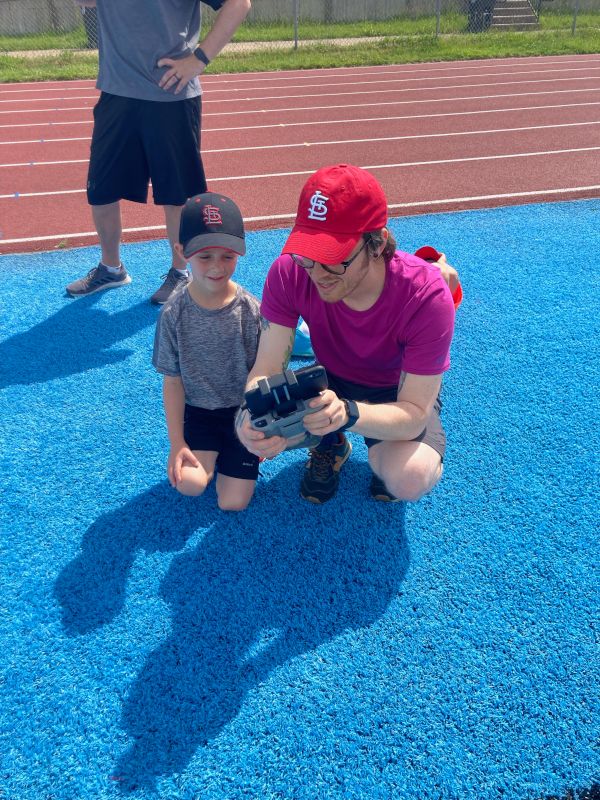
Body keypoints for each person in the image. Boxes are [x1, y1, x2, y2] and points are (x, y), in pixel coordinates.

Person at [236, 163, 460, 505]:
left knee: (408, 478)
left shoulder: (425, 295)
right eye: (308, 254)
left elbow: (414, 413)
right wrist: (248, 418)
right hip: (328, 381)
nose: (317, 273)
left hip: (396, 392)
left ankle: (356, 438)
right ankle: (332, 441)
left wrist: (348, 414)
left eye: (334, 258)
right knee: (252, 426)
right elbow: (265, 369)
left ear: (377, 243)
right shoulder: (290, 272)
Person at [66, 0, 252, 304]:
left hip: (171, 94)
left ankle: (180, 272)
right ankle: (111, 268)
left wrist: (199, 59)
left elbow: (239, 3)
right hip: (116, 91)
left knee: (176, 196)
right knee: (101, 190)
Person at [152, 192, 262, 511]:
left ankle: (233, 456)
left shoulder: (250, 310)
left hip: (243, 413)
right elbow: (173, 381)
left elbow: (262, 374)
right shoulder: (173, 314)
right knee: (190, 484)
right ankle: (212, 456)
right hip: (199, 414)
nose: (216, 267)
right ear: (181, 251)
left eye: (227, 256)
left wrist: (261, 425)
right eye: (205, 256)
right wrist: (177, 443)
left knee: (233, 503)